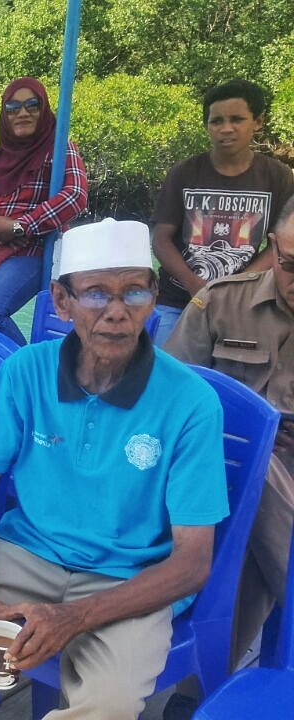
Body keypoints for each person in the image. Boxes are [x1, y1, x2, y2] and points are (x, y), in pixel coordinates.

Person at [0, 219, 228, 719]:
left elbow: (192, 563)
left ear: (153, 295)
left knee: (109, 703)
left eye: (134, 292)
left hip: (125, 579)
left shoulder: (191, 402)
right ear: (61, 300)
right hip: (23, 554)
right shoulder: (25, 370)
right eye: (96, 294)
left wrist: (70, 617)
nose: (117, 313)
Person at [164, 196, 294, 674]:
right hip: (215, 465)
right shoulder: (222, 301)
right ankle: (202, 690)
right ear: (272, 247)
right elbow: (169, 399)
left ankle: (198, 689)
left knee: (254, 498)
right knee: (250, 470)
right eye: (290, 264)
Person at [0, 77, 88, 345]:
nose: (22, 113)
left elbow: (75, 196)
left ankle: (26, 372)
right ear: (4, 114)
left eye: (32, 105)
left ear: (43, 109)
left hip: (32, 249)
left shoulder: (60, 150)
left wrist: (20, 225)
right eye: (13, 107)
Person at [151, 79, 294, 345]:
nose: (226, 129)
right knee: (166, 370)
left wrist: (237, 285)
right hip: (179, 299)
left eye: (237, 119)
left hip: (245, 300)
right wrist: (197, 286)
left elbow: (280, 244)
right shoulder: (186, 172)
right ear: (207, 126)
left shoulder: (278, 177)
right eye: (216, 121)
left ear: (258, 122)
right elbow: (160, 239)